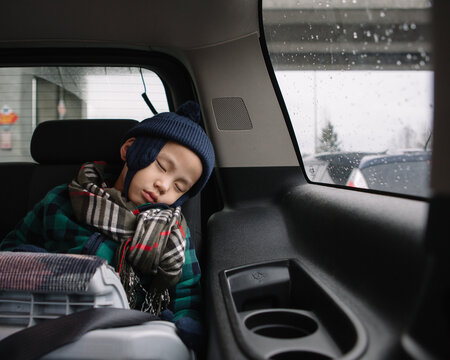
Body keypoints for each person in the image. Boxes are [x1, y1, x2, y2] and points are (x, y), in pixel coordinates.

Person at [0, 100, 215, 352]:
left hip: (125, 335)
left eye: (179, 187)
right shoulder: (61, 201)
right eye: (161, 166)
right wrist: (35, 264)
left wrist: (184, 327)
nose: (163, 186)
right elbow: (10, 250)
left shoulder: (173, 234)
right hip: (47, 323)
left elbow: (187, 295)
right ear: (130, 150)